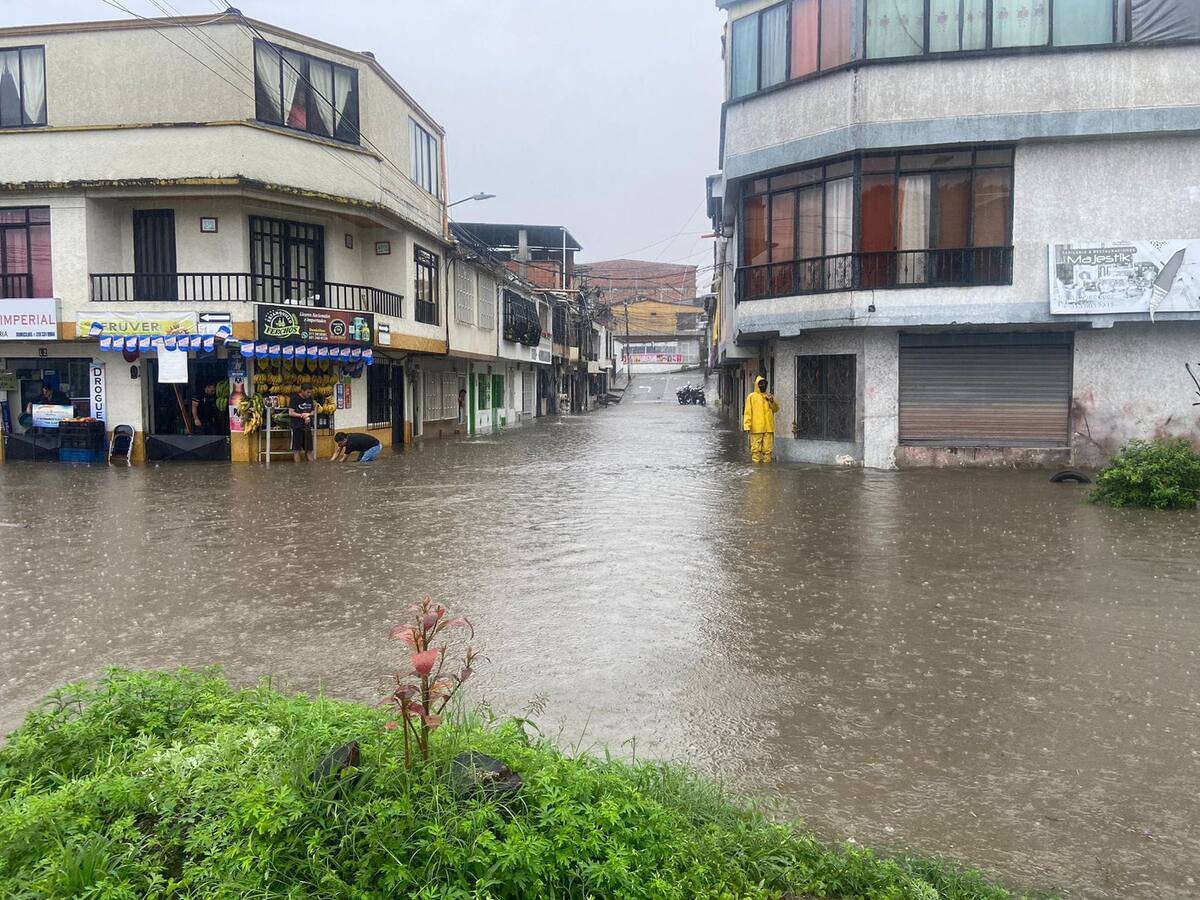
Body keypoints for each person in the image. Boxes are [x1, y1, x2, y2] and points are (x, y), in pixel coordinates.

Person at [743, 375, 780, 464]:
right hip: (756, 428)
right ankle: (757, 472)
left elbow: (775, 409)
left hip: (768, 428)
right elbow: (748, 412)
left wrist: (771, 401)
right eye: (761, 384)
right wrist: (747, 426)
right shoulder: (751, 397)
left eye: (764, 384)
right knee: (756, 450)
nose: (763, 386)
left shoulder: (769, 396)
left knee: (768, 450)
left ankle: (766, 472)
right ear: (757, 385)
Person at [287, 383, 317, 463]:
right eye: (308, 392)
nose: (309, 394)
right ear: (302, 391)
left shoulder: (310, 398)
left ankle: (310, 468)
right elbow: (291, 412)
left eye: (310, 392)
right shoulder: (294, 398)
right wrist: (301, 415)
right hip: (297, 427)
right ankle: (298, 469)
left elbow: (313, 411)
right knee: (297, 450)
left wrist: (309, 414)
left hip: (307, 427)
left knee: (309, 449)